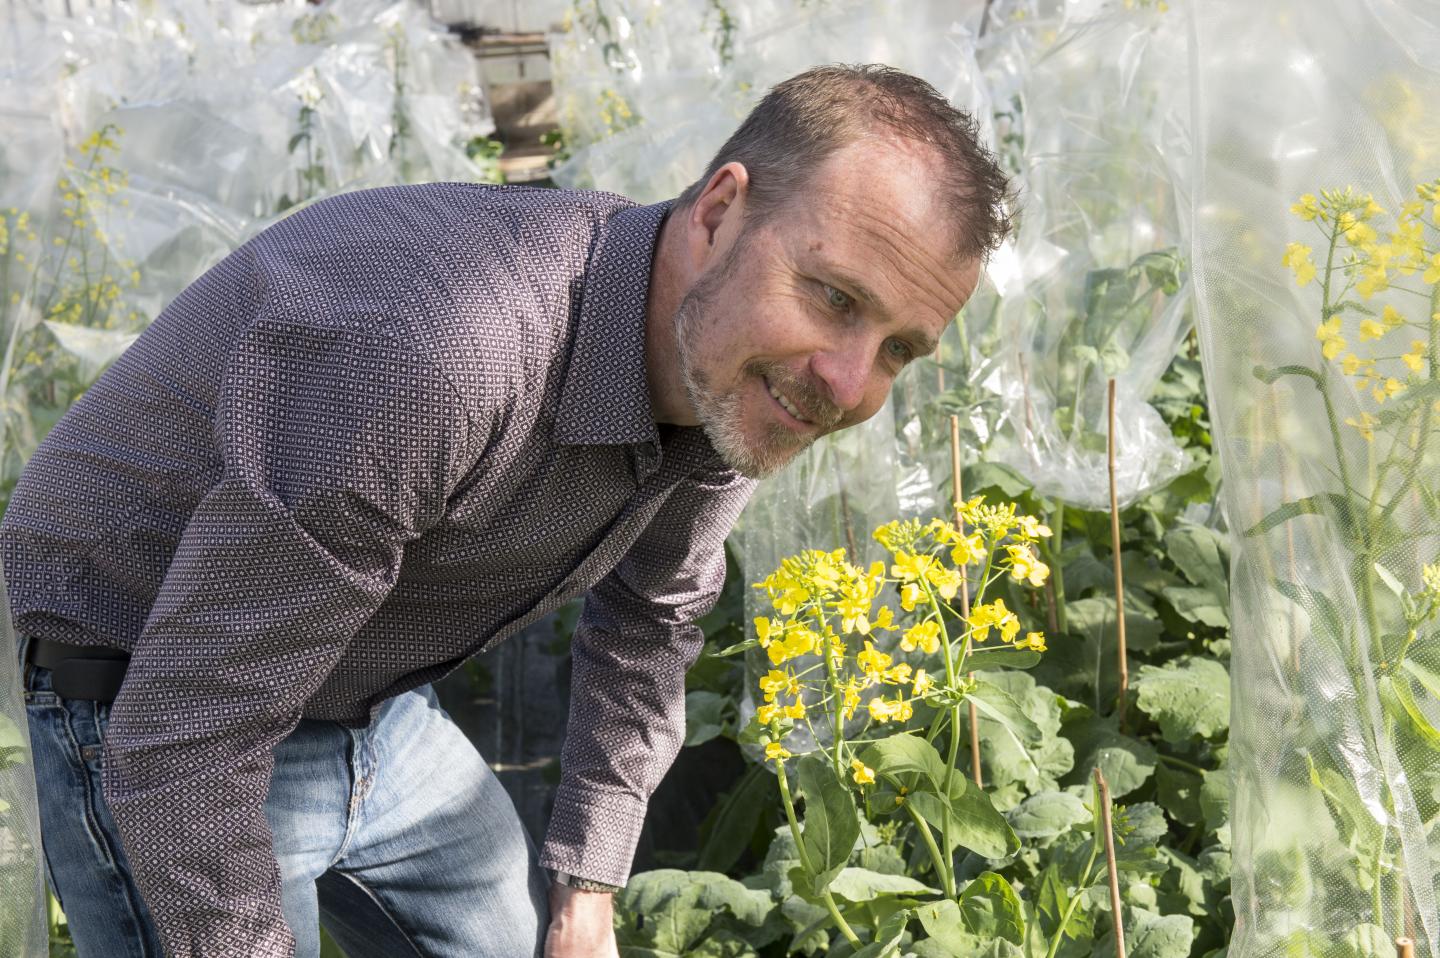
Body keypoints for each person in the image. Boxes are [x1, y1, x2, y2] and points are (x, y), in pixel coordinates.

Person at [2, 63, 1011, 958]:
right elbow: (189, 730)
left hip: (366, 695)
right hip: (142, 688)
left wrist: (590, 897)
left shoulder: (735, 380)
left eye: (898, 351)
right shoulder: (443, 355)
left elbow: (653, 622)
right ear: (717, 213)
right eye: (833, 295)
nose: (845, 381)